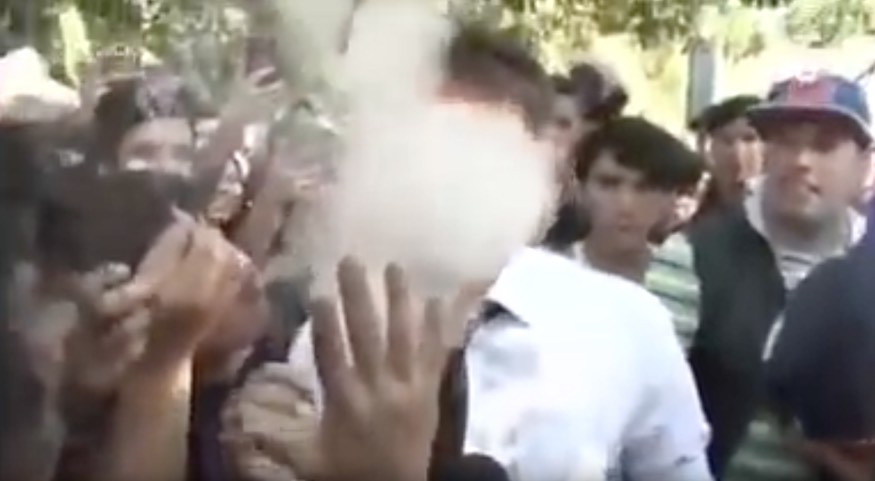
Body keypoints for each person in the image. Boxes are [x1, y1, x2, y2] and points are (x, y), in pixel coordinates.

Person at [687, 71, 870, 481]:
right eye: (785, 141)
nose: (801, 160)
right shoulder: (692, 255)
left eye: (824, 146)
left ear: (864, 162)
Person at [689, 95, 763, 219]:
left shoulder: (784, 211)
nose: (737, 151)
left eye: (749, 139)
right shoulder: (690, 205)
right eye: (727, 140)